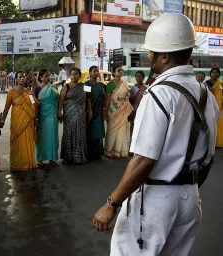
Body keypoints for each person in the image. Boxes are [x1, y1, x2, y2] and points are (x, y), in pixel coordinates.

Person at [93, 14, 219, 255]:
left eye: (151, 52)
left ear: (164, 56)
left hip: (156, 201)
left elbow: (143, 160)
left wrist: (112, 204)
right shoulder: (206, 94)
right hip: (191, 199)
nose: (149, 57)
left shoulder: (159, 94)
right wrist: (186, 189)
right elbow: (208, 155)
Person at [0, 71, 38, 171]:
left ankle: (28, 162)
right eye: (20, 77)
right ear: (16, 79)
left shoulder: (29, 92)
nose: (22, 78)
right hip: (17, 122)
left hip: (28, 122)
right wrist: (2, 120)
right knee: (17, 142)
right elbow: (6, 108)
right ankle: (16, 164)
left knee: (27, 141)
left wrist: (36, 119)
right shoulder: (11, 92)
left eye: (24, 76)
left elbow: (34, 105)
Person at [59, 68, 92, 164]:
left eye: (76, 74)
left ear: (79, 76)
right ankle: (68, 157)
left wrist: (90, 111)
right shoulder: (66, 87)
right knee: (68, 133)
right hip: (68, 114)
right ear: (70, 76)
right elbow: (61, 101)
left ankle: (79, 157)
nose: (74, 76)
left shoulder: (84, 86)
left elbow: (88, 100)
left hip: (80, 114)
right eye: (72, 74)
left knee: (79, 133)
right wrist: (59, 112)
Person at [104, 64, 133, 158]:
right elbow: (108, 99)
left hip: (122, 110)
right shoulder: (110, 84)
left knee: (122, 129)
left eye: (121, 70)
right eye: (118, 70)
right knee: (111, 130)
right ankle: (109, 150)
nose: (121, 72)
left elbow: (127, 96)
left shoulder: (124, 84)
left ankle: (119, 151)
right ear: (114, 73)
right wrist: (105, 110)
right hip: (113, 110)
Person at [35, 69, 60, 166]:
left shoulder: (53, 87)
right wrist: (35, 117)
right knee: (41, 137)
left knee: (52, 135)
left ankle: (52, 158)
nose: (48, 77)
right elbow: (35, 103)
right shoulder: (37, 89)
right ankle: (40, 158)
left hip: (52, 115)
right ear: (41, 78)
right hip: (41, 116)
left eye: (49, 75)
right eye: (46, 76)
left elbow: (57, 100)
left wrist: (59, 112)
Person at [84, 66, 106, 161]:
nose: (96, 73)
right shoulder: (86, 84)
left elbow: (104, 98)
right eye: (94, 71)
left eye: (97, 71)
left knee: (97, 132)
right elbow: (86, 98)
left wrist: (104, 109)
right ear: (90, 73)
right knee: (89, 132)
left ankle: (98, 153)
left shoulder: (101, 85)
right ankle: (89, 153)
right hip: (88, 112)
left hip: (98, 112)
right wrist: (88, 111)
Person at [128, 71, 148, 136]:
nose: (138, 78)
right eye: (137, 76)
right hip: (134, 110)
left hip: (143, 110)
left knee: (142, 126)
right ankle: (132, 142)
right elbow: (130, 100)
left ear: (143, 78)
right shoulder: (133, 88)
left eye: (140, 76)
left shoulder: (147, 87)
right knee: (133, 126)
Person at [209, 68, 223, 147]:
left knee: (220, 124)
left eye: (216, 72)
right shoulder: (206, 83)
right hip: (210, 107)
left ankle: (218, 142)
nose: (215, 74)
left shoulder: (220, 83)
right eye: (213, 72)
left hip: (220, 106)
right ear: (210, 74)